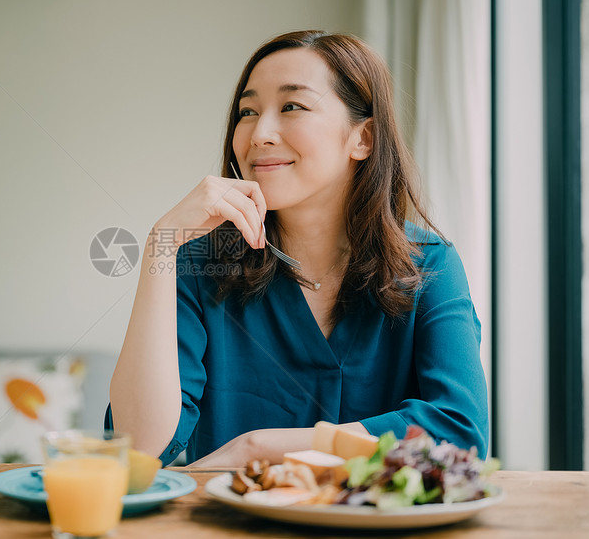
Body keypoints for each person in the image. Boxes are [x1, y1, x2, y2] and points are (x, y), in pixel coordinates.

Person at [106, 30, 488, 468]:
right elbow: (138, 449)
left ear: (362, 138)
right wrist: (161, 245)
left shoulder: (430, 262)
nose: (259, 134)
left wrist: (257, 447)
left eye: (292, 106)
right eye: (247, 112)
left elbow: (461, 431)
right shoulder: (197, 264)